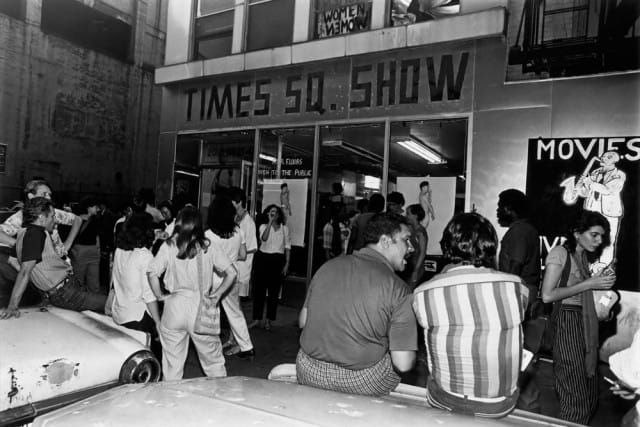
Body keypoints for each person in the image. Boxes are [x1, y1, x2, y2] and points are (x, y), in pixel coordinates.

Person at [413, 212, 529, 418]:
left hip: (446, 399)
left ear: (447, 245)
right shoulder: (516, 286)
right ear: (491, 245)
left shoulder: (422, 293)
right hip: (499, 404)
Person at [297, 212, 417, 396]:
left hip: (309, 371)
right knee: (398, 358)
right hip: (361, 380)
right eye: (406, 240)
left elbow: (303, 322)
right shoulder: (399, 289)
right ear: (385, 241)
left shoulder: (327, 267)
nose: (411, 248)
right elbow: (403, 363)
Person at [540, 211, 616, 424]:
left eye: (601, 236)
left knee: (589, 397)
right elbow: (547, 295)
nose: (599, 241)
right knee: (575, 398)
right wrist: (589, 283)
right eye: (594, 235)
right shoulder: (559, 253)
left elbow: (582, 294)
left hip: (582, 323)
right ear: (576, 232)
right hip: (567, 323)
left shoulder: (581, 257)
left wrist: (600, 294)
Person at [147, 206, 237, 380]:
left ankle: (171, 395)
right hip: (201, 306)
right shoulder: (208, 246)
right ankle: (218, 395)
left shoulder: (169, 245)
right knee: (213, 364)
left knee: (172, 367)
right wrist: (217, 295)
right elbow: (232, 273)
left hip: (174, 306)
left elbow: (152, 273)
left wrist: (160, 296)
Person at [0, 197, 106, 319]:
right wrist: (12, 306)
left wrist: (41, 280)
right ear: (41, 217)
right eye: (51, 216)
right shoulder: (36, 234)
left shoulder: (22, 233)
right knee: (111, 303)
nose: (54, 220)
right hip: (65, 292)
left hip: (62, 290)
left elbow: (13, 261)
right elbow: (24, 272)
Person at [0, 180, 82, 305]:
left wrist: (68, 243)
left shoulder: (53, 212)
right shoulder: (20, 218)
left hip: (64, 269)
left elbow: (77, 220)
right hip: (47, 277)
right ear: (30, 196)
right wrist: (19, 244)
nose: (49, 197)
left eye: (49, 194)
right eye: (44, 194)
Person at [206, 196, 255, 360]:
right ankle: (247, 346)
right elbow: (243, 254)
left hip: (213, 277)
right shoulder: (238, 231)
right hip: (232, 276)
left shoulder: (209, 235)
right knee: (235, 312)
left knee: (211, 312)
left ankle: (211, 347)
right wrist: (230, 257)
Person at [110, 213, 161, 359]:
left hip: (120, 313)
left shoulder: (119, 250)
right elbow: (149, 295)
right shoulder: (144, 256)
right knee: (151, 359)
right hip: (138, 318)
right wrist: (158, 322)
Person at [579, 151, 626, 273]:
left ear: (613, 161)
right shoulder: (596, 172)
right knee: (590, 238)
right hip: (593, 212)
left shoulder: (619, 175)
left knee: (608, 240)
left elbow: (608, 190)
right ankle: (591, 263)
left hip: (609, 213)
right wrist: (581, 187)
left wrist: (590, 183)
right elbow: (587, 192)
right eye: (603, 156)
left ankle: (604, 265)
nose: (602, 158)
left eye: (607, 157)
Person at [497, 189, 541, 315]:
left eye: (499, 206)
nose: (497, 211)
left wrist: (506, 294)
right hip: (525, 290)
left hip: (518, 292)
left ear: (508, 208)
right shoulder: (529, 229)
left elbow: (516, 264)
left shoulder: (518, 231)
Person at [248, 204, 291, 331]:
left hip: (277, 260)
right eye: (271, 212)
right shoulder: (263, 226)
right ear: (267, 214)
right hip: (263, 259)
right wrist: (270, 222)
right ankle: (257, 319)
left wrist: (287, 263)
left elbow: (287, 247)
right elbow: (264, 238)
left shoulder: (284, 229)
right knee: (259, 291)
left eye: (275, 212)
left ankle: (269, 320)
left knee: (274, 292)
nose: (273, 214)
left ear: (279, 214)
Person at [70, 196, 102, 293]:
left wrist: (98, 249)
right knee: (78, 280)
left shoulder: (96, 220)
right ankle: (77, 298)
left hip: (93, 252)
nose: (98, 209)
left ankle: (94, 298)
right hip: (80, 251)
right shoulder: (76, 219)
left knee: (94, 281)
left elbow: (97, 236)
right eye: (96, 207)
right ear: (88, 207)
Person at [404, 204, 428, 289]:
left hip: (416, 266)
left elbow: (422, 253)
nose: (406, 216)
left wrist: (416, 271)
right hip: (409, 265)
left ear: (415, 216)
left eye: (408, 214)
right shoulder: (410, 229)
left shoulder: (420, 232)